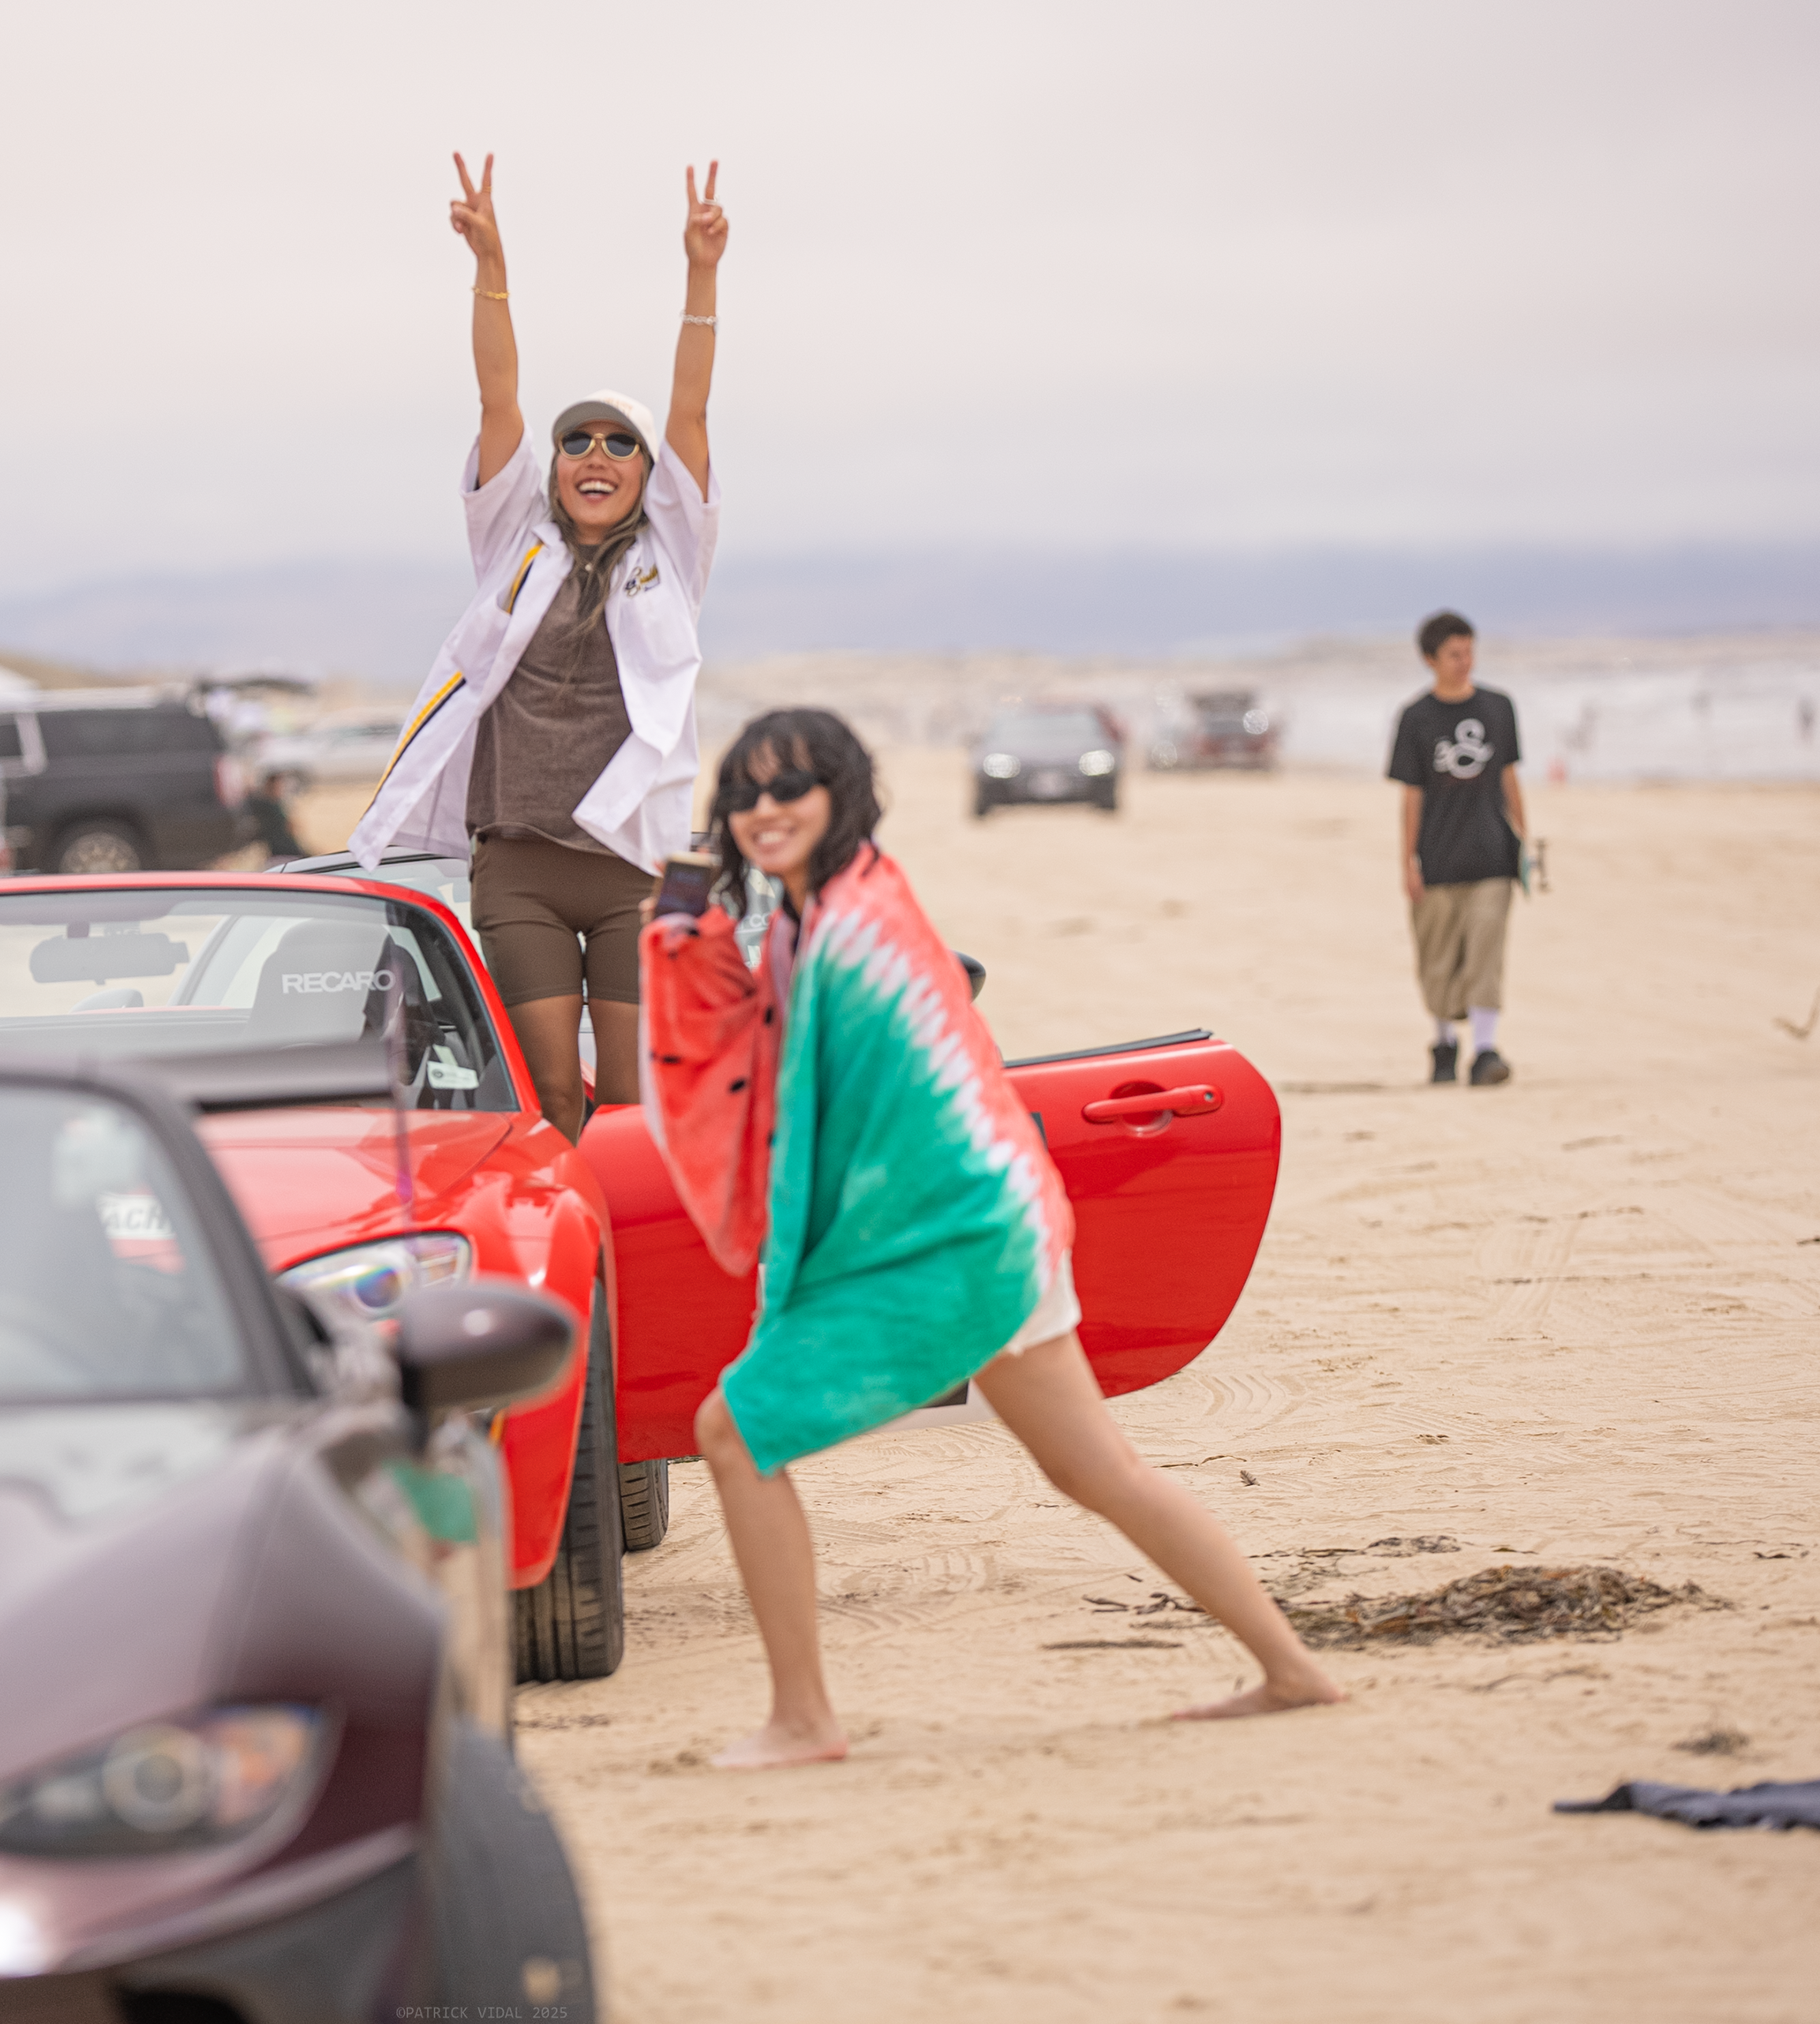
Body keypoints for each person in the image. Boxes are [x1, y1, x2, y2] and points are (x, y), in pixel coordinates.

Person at [639, 709, 1344, 1769]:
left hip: (953, 1241)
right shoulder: (816, 914)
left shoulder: (856, 929)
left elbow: (861, 1107)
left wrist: (828, 1272)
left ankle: (803, 1720)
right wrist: (687, 929)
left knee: (736, 1432)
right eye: (744, 794)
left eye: (790, 787)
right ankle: (1294, 1669)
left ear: (843, 794)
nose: (763, 810)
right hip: (999, 1230)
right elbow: (764, 1048)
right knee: (1096, 1469)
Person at [346, 152, 726, 1143]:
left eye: (618, 445)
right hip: (518, 862)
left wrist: (701, 277)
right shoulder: (512, 541)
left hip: (635, 866)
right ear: (553, 469)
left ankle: (637, 1274)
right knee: (553, 1100)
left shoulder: (672, 560)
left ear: (649, 477)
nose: (596, 456)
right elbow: (497, 398)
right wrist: (492, 265)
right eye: (578, 442)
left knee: (639, 1110)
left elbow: (689, 410)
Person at [1386, 611, 1526, 1087]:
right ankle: (1444, 1043)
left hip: (1492, 853)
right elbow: (1411, 795)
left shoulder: (1499, 708)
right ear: (1430, 660)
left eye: (1469, 652)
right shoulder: (1415, 718)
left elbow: (1509, 776)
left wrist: (1523, 842)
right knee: (1438, 958)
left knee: (1487, 947)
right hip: (1438, 857)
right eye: (1453, 655)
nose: (1464, 662)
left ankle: (1485, 1051)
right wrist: (1408, 860)